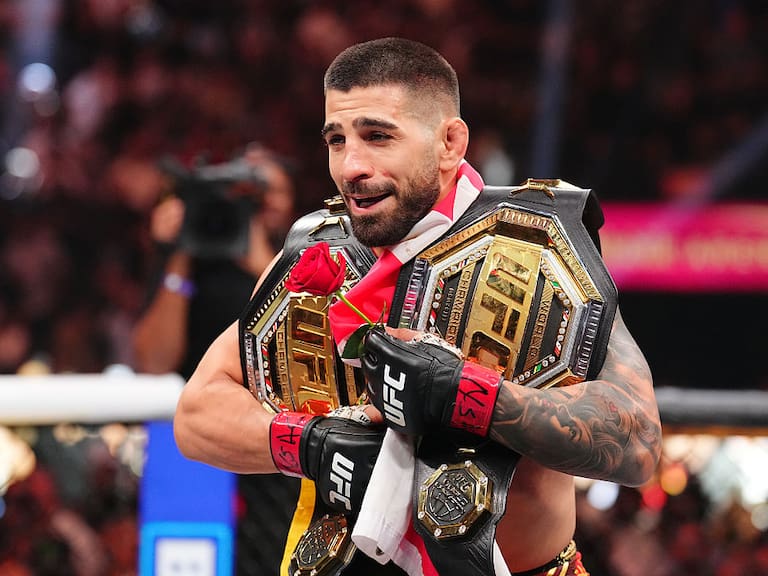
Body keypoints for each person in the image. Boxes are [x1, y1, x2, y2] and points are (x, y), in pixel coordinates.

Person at [174, 37, 662, 576]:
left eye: (378, 137)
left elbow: (636, 439)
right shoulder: (314, 258)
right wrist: (308, 442)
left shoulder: (540, 253)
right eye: (336, 140)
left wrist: (468, 396)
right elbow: (197, 415)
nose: (351, 166)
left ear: (450, 143)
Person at [132, 145, 299, 575]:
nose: (256, 204)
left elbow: (303, 341)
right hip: (197, 443)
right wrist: (181, 252)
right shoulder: (193, 266)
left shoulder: (306, 259)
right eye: (244, 192)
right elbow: (153, 359)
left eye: (266, 192)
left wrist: (262, 263)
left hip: (275, 446)